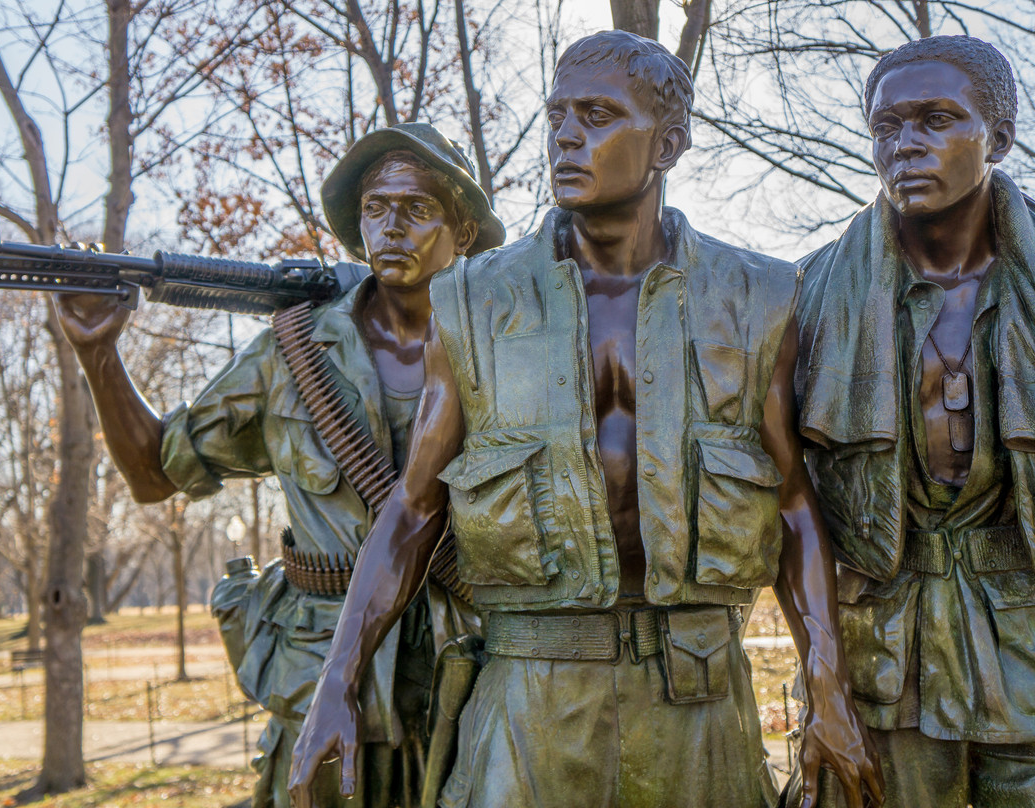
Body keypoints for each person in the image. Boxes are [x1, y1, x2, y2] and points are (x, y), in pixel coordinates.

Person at [289, 31, 882, 808]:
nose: (566, 136)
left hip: (699, 696)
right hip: (531, 699)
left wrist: (825, 683)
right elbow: (413, 507)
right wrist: (339, 676)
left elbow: (794, 502)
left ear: (668, 143)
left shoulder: (758, 297)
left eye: (597, 115)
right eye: (556, 116)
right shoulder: (472, 301)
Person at [54, 122, 504, 808]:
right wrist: (99, 355)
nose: (391, 227)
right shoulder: (291, 354)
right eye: (376, 209)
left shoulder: (507, 355)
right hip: (317, 684)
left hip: (463, 681)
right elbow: (154, 474)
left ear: (464, 230)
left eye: (418, 209)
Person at [791, 35, 1035, 807]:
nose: (906, 146)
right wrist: (821, 683)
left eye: (935, 119)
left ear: (996, 138)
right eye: (887, 127)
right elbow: (787, 504)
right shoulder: (806, 296)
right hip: (882, 662)